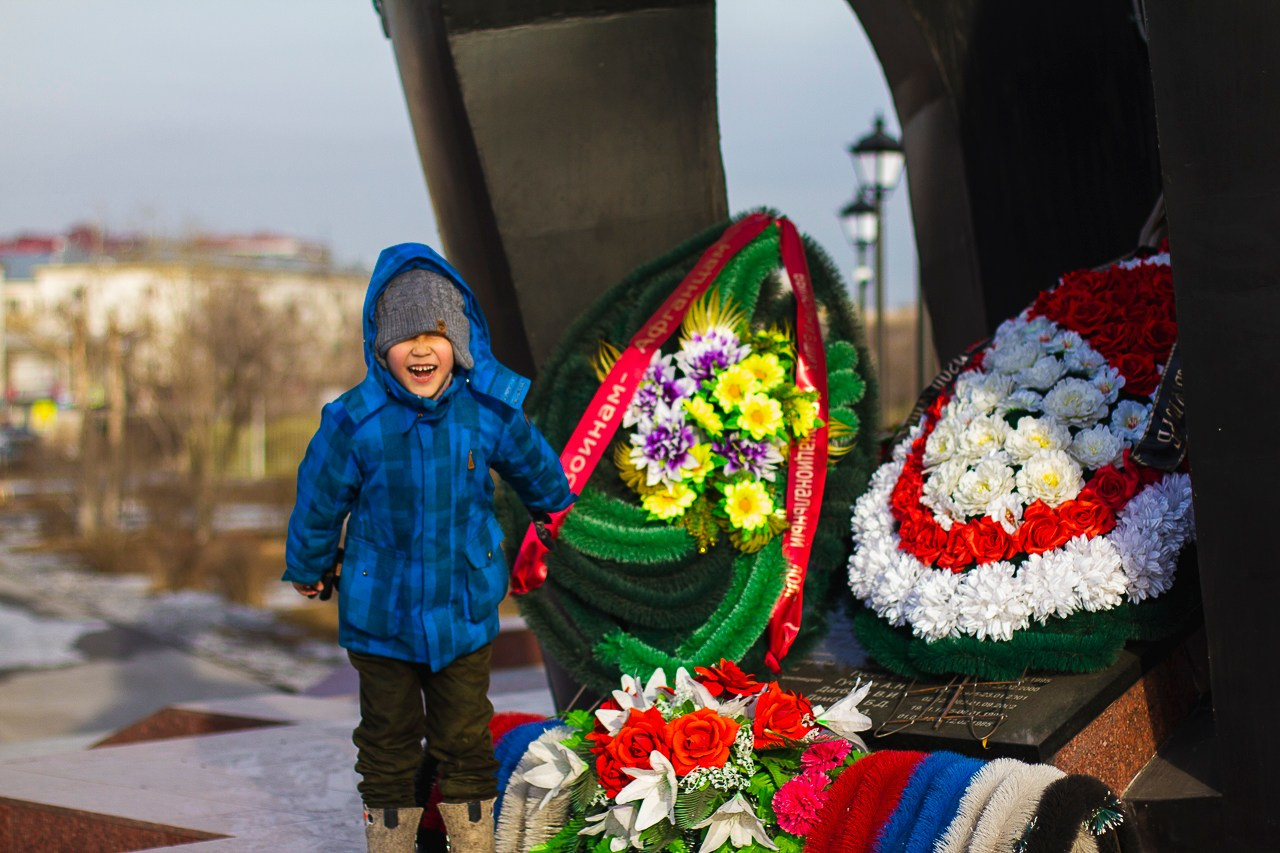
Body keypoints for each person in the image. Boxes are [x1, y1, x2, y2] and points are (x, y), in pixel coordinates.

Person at [283, 243, 573, 853]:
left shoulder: (485, 411)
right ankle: (391, 842)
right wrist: (309, 567)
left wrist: (554, 506)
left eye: (437, 334)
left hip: (463, 606)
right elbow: (319, 499)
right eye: (404, 335)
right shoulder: (353, 421)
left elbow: (532, 463)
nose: (421, 348)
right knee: (387, 739)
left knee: (464, 737)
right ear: (378, 344)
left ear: (460, 343)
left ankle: (471, 842)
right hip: (379, 614)